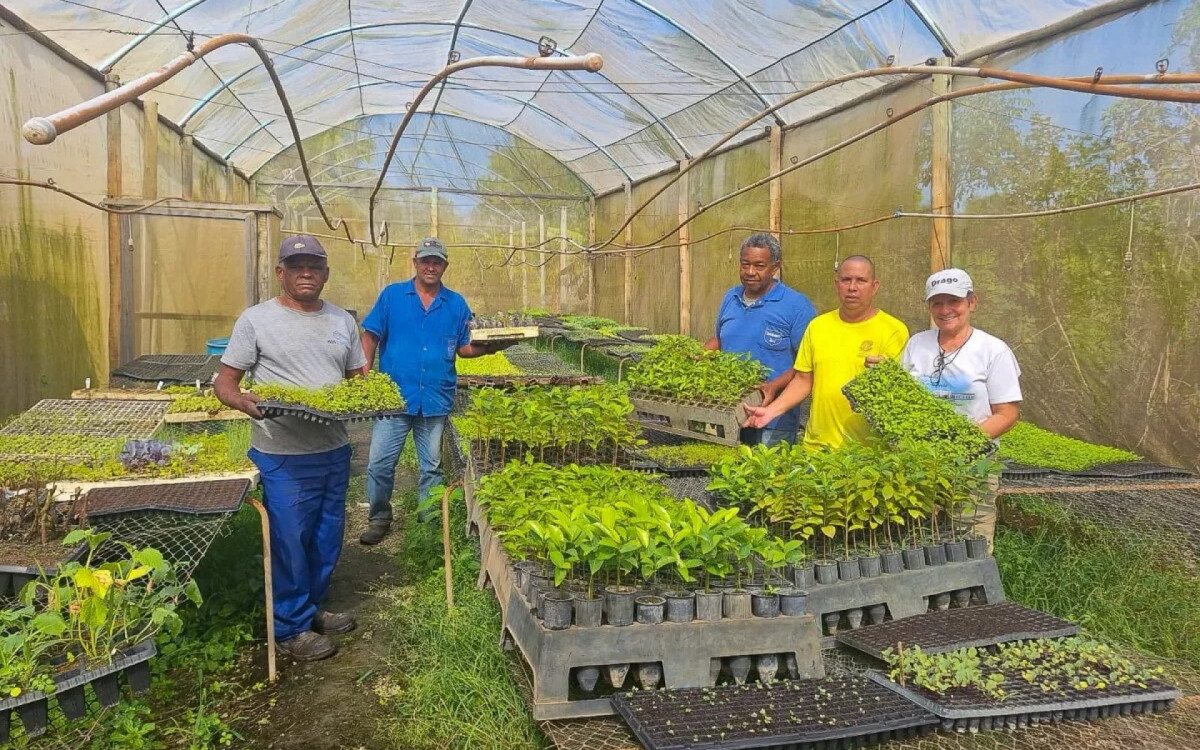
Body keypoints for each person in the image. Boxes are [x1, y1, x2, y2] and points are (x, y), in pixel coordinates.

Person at [214, 235, 366, 662]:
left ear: (325, 274)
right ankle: (288, 627)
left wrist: (376, 397)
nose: (306, 273)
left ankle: (310, 607)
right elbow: (225, 381)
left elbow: (358, 379)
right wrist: (242, 401)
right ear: (280, 272)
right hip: (282, 453)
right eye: (296, 265)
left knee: (326, 537)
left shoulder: (342, 322)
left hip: (334, 450)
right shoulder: (256, 320)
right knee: (289, 540)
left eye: (314, 266)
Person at [358, 238, 511, 545]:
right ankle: (379, 517)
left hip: (435, 398)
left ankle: (428, 521)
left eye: (437, 262)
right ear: (415, 262)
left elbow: (465, 348)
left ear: (444, 266)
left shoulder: (455, 304)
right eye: (425, 261)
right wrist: (364, 378)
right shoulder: (392, 296)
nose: (431, 266)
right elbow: (371, 335)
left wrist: (494, 346)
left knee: (431, 466)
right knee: (379, 463)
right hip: (394, 397)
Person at [901, 268, 1021, 549]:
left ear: (971, 302)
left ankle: (973, 593)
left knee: (971, 540)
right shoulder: (917, 344)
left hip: (973, 464)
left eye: (953, 301)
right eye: (937, 303)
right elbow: (904, 402)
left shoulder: (993, 350)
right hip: (922, 463)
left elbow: (1007, 413)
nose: (945, 310)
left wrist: (961, 445)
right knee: (922, 539)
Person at [744, 255, 908, 450]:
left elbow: (898, 396)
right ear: (837, 284)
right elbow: (804, 380)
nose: (852, 287)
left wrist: (887, 374)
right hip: (817, 447)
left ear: (875, 286)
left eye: (861, 281)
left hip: (868, 452)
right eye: (846, 280)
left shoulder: (894, 330)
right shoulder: (818, 327)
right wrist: (770, 412)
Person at [705, 233, 816, 446]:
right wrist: (696, 355)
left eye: (759, 266)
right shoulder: (731, 297)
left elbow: (807, 363)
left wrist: (773, 386)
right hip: (727, 408)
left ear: (775, 267)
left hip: (774, 417)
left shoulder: (796, 305)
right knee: (727, 472)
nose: (750, 272)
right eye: (745, 264)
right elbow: (719, 339)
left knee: (768, 474)